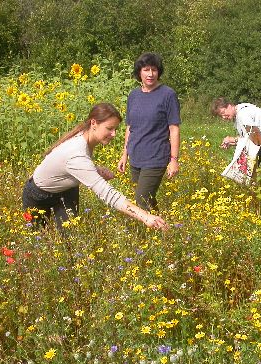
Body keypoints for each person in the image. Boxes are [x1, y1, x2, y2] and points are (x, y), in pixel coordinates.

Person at [22, 103, 168, 231]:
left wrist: (95, 170)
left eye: (116, 129)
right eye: (110, 128)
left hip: (66, 191)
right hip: (38, 196)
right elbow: (108, 194)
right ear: (93, 123)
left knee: (71, 241)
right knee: (37, 239)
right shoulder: (76, 152)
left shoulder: (84, 138)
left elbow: (68, 166)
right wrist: (145, 216)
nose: (114, 134)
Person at [117, 52, 181, 211]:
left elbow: (174, 129)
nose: (150, 74)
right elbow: (130, 127)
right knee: (147, 199)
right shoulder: (134, 95)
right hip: (136, 157)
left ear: (159, 72)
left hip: (155, 157)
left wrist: (174, 160)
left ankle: (145, 234)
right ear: (139, 72)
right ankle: (163, 230)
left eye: (154, 70)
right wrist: (124, 154)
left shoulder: (168, 95)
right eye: (146, 70)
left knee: (141, 199)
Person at [211, 98, 261, 172]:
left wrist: (233, 139)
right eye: (221, 116)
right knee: (251, 165)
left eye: (223, 112)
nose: (223, 117)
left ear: (229, 105)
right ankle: (253, 182)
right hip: (259, 137)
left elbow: (255, 137)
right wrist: (232, 142)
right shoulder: (237, 114)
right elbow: (247, 137)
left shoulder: (243, 115)